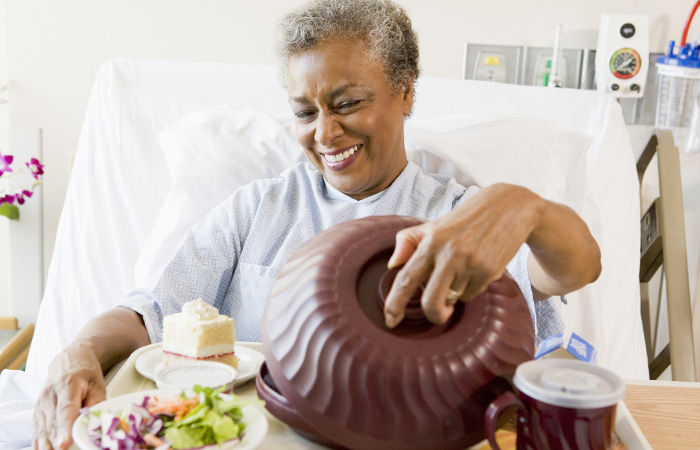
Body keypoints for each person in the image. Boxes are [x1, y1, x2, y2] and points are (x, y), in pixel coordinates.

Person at [31, 1, 601, 449]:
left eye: (348, 103)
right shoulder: (255, 210)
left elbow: (574, 268)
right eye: (305, 112)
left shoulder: (461, 217)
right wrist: (79, 349)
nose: (325, 135)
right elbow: (148, 316)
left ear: (405, 93)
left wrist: (525, 208)